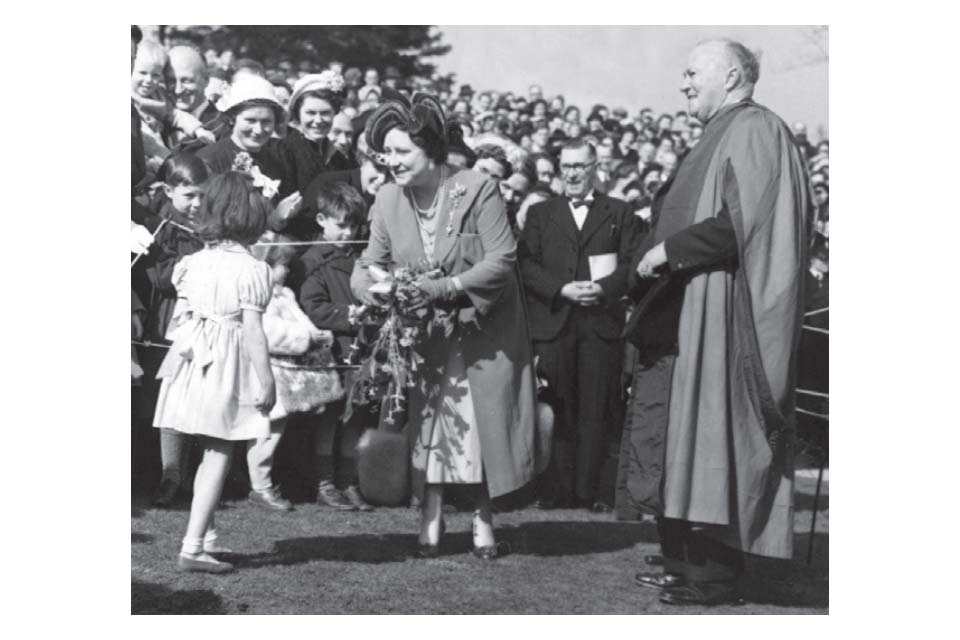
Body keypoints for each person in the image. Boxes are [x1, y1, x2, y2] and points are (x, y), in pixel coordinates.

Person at [619, 39, 809, 605]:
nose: (682, 82)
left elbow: (742, 221)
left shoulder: (755, 129)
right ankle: (683, 558)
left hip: (720, 312)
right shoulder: (720, 131)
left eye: (691, 71)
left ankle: (713, 574)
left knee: (714, 435)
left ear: (730, 76)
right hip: (685, 307)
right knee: (678, 433)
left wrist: (669, 252)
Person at [351, 94, 537, 560]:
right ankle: (429, 519)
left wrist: (446, 287)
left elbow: (502, 259)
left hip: (484, 333)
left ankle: (482, 520)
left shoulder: (477, 187)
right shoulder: (388, 198)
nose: (389, 162)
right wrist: (376, 291)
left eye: (400, 153)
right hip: (427, 339)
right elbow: (366, 265)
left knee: (479, 427)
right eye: (385, 153)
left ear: (430, 152)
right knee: (432, 426)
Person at [153, 172, 277, 574]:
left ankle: (205, 537)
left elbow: (184, 313)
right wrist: (267, 379)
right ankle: (192, 547)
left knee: (209, 446)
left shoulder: (191, 263)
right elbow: (254, 333)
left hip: (191, 358)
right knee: (219, 448)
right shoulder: (252, 269)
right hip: (224, 361)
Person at [518, 139, 639, 511]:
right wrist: (561, 289)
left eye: (579, 166)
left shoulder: (621, 212)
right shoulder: (542, 214)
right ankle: (554, 489)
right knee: (557, 405)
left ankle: (590, 492)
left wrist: (602, 289)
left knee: (596, 407)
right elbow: (525, 265)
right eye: (566, 166)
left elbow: (633, 265)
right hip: (554, 324)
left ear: (594, 167)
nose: (571, 173)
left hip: (600, 326)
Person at [245, 236, 343, 511]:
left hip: (288, 373)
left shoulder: (283, 294)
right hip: (271, 370)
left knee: (278, 428)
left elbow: (300, 322)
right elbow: (270, 331)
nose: (286, 270)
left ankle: (270, 481)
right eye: (281, 264)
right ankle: (260, 485)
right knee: (266, 430)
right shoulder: (261, 296)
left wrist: (315, 334)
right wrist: (307, 337)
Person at [299, 183, 379, 511]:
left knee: (354, 415)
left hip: (360, 348)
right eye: (341, 225)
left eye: (353, 226)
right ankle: (325, 481)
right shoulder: (313, 260)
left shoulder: (360, 258)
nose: (348, 233)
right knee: (330, 417)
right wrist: (348, 316)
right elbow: (312, 306)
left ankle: (349, 480)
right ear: (321, 219)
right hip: (330, 352)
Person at [142, 153, 209, 507]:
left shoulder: (210, 224)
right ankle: (169, 473)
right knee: (168, 397)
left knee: (196, 394)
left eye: (203, 195)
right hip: (168, 321)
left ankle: (192, 472)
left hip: (203, 319)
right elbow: (162, 277)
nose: (197, 204)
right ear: (169, 191)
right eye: (190, 196)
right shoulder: (159, 226)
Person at [196, 73, 302, 223]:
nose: (258, 130)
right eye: (250, 120)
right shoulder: (209, 159)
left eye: (266, 122)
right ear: (232, 118)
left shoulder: (279, 159)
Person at [283, 71, 351, 194]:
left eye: (325, 113)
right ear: (298, 113)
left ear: (334, 113)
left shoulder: (337, 156)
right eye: (311, 113)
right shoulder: (285, 151)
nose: (318, 121)